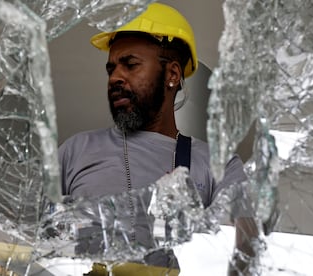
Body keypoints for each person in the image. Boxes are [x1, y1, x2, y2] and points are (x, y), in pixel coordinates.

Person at [58, 2, 258, 275]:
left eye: (130, 64)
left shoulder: (219, 166)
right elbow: (29, 240)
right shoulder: (75, 151)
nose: (115, 77)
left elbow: (246, 254)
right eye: (111, 68)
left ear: (172, 74)